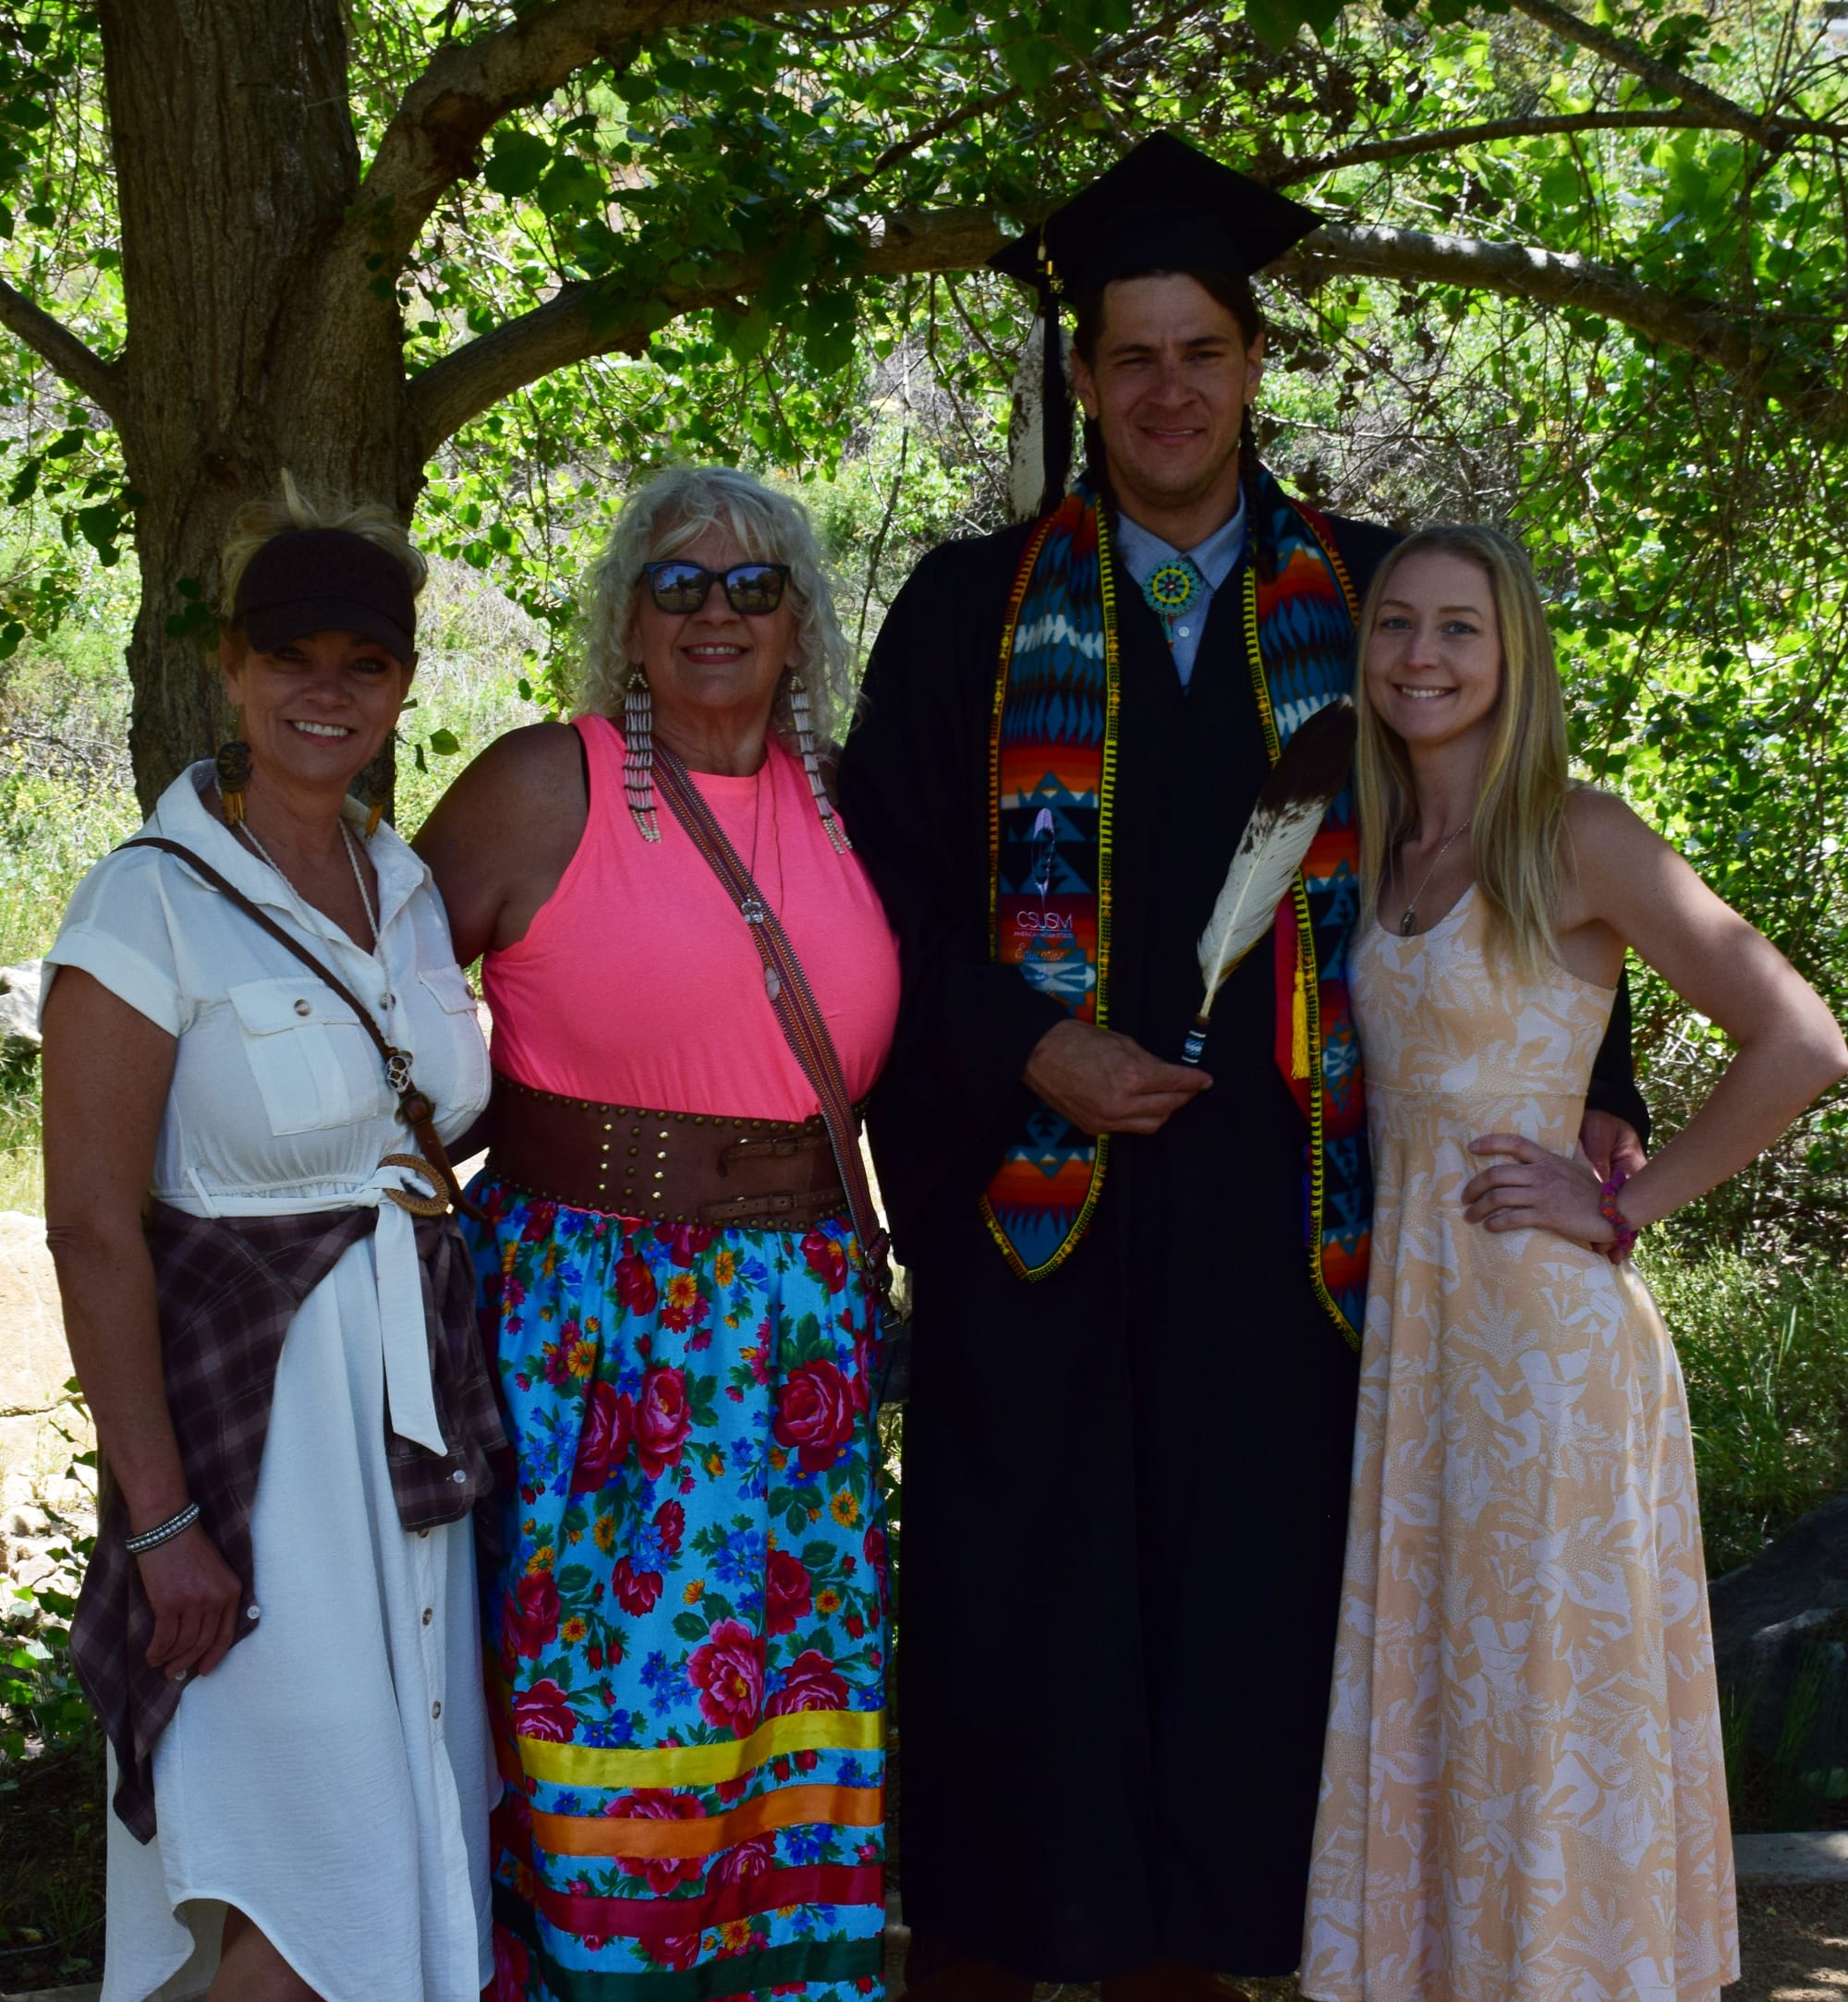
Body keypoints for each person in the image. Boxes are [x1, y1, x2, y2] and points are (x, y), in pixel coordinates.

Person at [836, 134, 1650, 2001]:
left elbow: (1520, 854)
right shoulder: (969, 614)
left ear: (1254, 364)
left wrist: (1603, 1105)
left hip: (1302, 1241)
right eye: (1129, 356)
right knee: (1022, 1617)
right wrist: (1028, 1046)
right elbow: (877, 892)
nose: (1168, 391)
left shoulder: (1378, 609)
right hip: (1037, 1217)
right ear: (1079, 376)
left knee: (1246, 1628)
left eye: (1201, 350)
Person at [1301, 524, 1845, 2001]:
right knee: (1459, 1711)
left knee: (1544, 1711)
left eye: (1460, 629)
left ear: (1513, 654)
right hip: (1422, 1349)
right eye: (1397, 624)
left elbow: (1801, 1039)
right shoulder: (1381, 847)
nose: (1422, 654)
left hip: (1542, 1351)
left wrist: (1627, 1202)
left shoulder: (1577, 831)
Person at [414, 464, 900, 2002]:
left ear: (801, 626)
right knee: (609, 1708)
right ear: (626, 617)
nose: (715, 612)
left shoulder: (852, 807)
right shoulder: (541, 783)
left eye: (753, 585)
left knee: (784, 1710)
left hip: (800, 1337)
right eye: (677, 582)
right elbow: (383, 1027)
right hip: (603, 1335)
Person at [42, 487, 501, 2002]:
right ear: (229, 672)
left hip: (406, 1446)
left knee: (400, 1850)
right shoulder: (143, 905)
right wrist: (164, 1523)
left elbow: (423, 1143)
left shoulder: (415, 892)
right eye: (289, 656)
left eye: (361, 662)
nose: (326, 690)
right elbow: (94, 1230)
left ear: (402, 684)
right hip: (254, 1461)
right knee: (307, 1887)